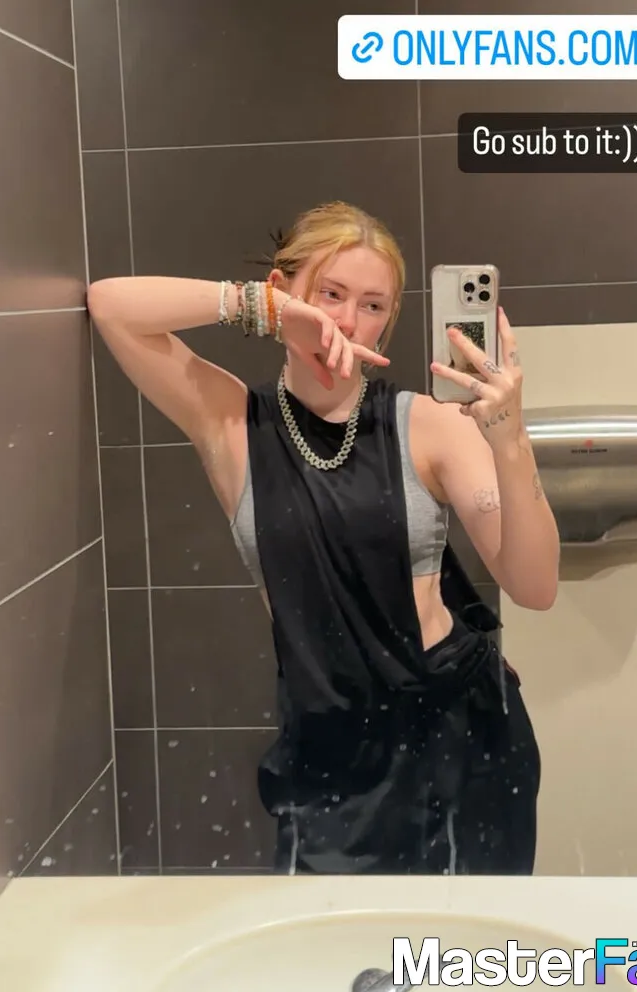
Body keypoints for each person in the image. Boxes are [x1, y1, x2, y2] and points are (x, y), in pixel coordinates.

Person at [87, 200, 559, 876]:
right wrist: (263, 308)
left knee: (462, 942)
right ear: (284, 293)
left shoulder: (430, 426)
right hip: (327, 751)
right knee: (335, 939)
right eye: (330, 294)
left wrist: (510, 439)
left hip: (460, 739)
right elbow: (110, 305)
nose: (346, 320)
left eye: (372, 305)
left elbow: (535, 587)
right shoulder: (231, 424)